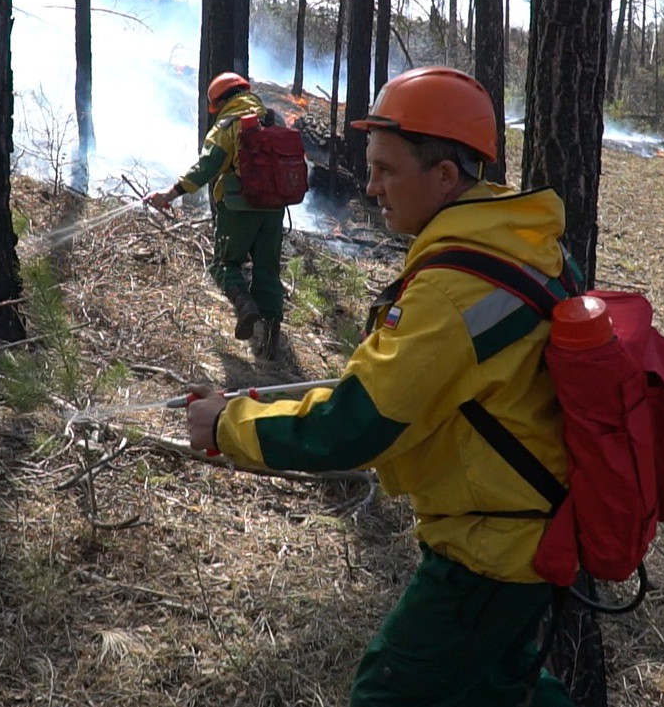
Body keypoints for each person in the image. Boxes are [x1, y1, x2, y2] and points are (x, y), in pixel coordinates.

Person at [185, 66, 579, 706]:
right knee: (503, 691)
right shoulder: (524, 244)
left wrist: (226, 426)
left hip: (490, 552)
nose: (369, 189)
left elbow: (357, 424)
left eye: (386, 170)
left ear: (445, 177)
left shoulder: (454, 290)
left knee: (386, 694)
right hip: (525, 535)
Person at [145, 72, 286, 359]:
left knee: (223, 264)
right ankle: (270, 341)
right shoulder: (274, 118)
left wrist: (169, 194)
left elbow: (206, 167)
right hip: (274, 207)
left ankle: (245, 307)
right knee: (267, 270)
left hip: (237, 206)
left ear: (221, 102)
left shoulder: (227, 125)